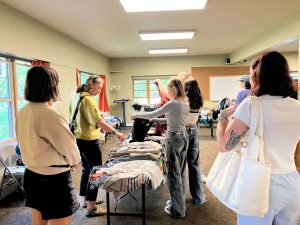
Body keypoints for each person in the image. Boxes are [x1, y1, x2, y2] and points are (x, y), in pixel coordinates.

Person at [216, 51, 300, 225]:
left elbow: (225, 146)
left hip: (260, 184)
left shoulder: (251, 105)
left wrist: (222, 118)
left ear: (257, 74)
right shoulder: (297, 106)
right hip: (292, 182)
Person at [15, 66, 81, 225]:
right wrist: (75, 163)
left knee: (38, 223)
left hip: (31, 175)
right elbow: (69, 147)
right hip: (53, 179)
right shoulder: (49, 113)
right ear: (50, 85)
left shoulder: (23, 111)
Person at [131, 78, 189, 218]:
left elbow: (153, 113)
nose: (168, 93)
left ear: (174, 88)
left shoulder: (174, 103)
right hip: (183, 137)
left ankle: (177, 210)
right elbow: (172, 119)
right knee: (180, 173)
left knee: (173, 174)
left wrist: (136, 115)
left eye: (169, 90)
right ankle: (179, 203)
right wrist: (156, 121)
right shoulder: (184, 103)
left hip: (174, 139)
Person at [69, 74, 125, 217]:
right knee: (96, 172)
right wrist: (116, 132)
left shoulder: (76, 97)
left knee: (87, 169)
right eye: (99, 87)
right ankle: (92, 207)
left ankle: (86, 200)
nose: (100, 90)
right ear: (91, 84)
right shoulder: (89, 100)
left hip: (78, 139)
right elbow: (99, 122)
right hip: (89, 140)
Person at [184, 79, 207, 205]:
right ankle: (198, 197)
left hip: (183, 132)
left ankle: (179, 200)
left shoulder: (183, 101)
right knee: (194, 165)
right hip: (194, 130)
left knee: (180, 166)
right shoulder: (199, 100)